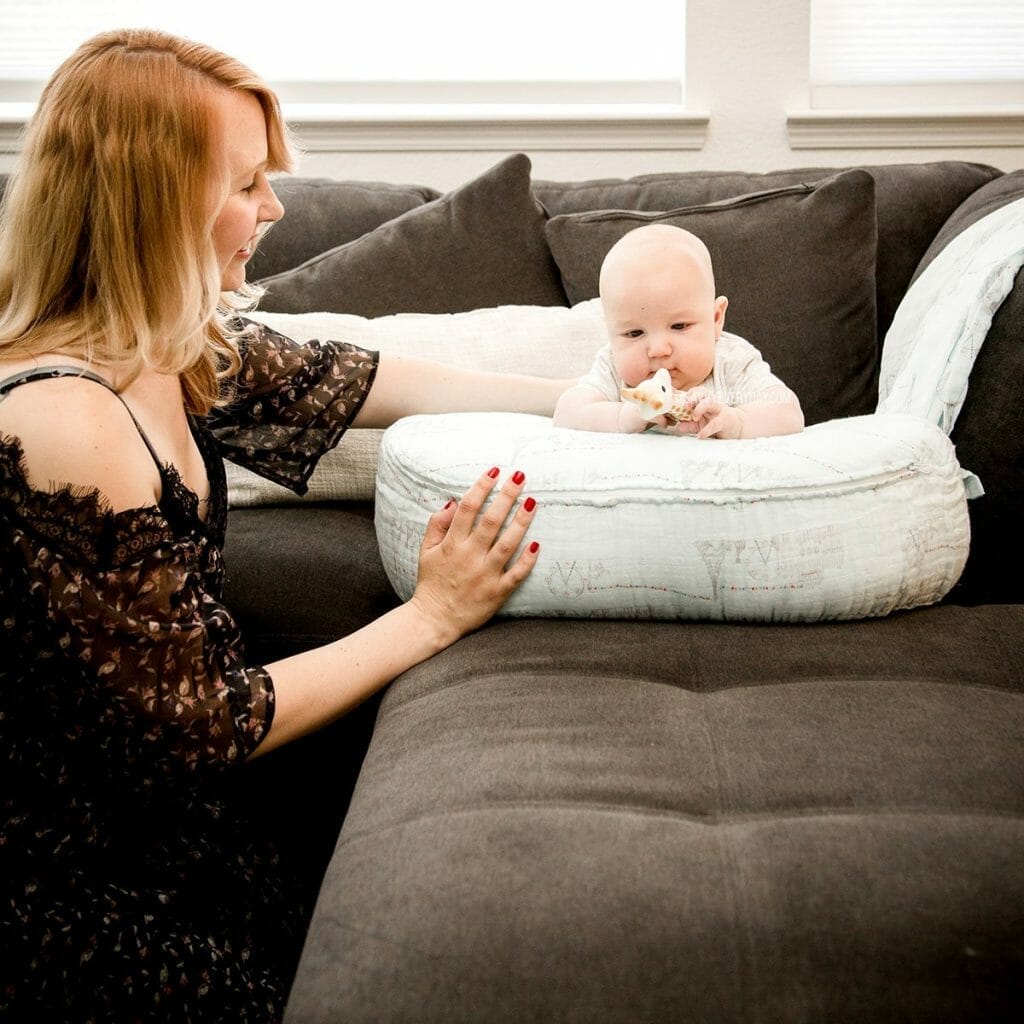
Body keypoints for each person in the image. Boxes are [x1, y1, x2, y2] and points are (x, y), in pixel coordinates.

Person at [0, 29, 573, 1022]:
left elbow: (373, 380)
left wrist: (579, 400)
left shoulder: (177, 349)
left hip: (166, 830)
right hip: (59, 880)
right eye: (247, 184)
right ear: (155, 201)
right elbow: (197, 726)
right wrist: (433, 616)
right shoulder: (63, 412)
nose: (273, 209)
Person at [554, 223, 804, 439]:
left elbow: (788, 411)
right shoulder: (612, 368)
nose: (658, 350)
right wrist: (622, 416)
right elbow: (566, 412)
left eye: (679, 326)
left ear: (716, 318)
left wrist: (738, 422)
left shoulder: (731, 362)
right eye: (634, 333)